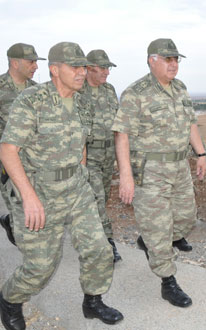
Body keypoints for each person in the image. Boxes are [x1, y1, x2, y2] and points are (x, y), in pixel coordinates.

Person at [0, 42, 123, 330]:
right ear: (55, 70)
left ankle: (93, 301)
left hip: (76, 190)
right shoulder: (32, 100)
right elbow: (7, 151)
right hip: (38, 192)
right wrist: (28, 197)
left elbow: (80, 142)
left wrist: (80, 173)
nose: (82, 72)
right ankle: (9, 298)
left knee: (99, 249)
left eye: (83, 67)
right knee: (41, 267)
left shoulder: (81, 101)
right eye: (75, 67)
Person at [112, 38, 206, 308]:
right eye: (168, 59)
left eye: (176, 59)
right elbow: (122, 135)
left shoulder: (180, 88)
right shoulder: (136, 93)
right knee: (158, 227)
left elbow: (191, 123)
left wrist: (201, 154)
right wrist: (126, 176)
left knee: (186, 218)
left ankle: (150, 240)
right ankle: (168, 281)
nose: (174, 64)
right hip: (150, 171)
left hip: (179, 167)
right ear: (151, 60)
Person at [0, 43, 45, 247]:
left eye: (36, 61)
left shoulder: (36, 90)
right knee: (17, 202)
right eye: (31, 61)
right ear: (15, 63)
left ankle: (16, 225)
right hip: (7, 160)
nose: (35, 66)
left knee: (29, 204)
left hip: (33, 160)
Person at [80, 49, 121, 263]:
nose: (107, 72)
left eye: (108, 68)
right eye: (103, 68)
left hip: (109, 154)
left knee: (102, 199)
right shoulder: (77, 91)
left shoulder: (110, 90)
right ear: (88, 68)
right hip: (88, 154)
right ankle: (108, 242)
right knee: (97, 197)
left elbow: (118, 123)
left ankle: (91, 235)